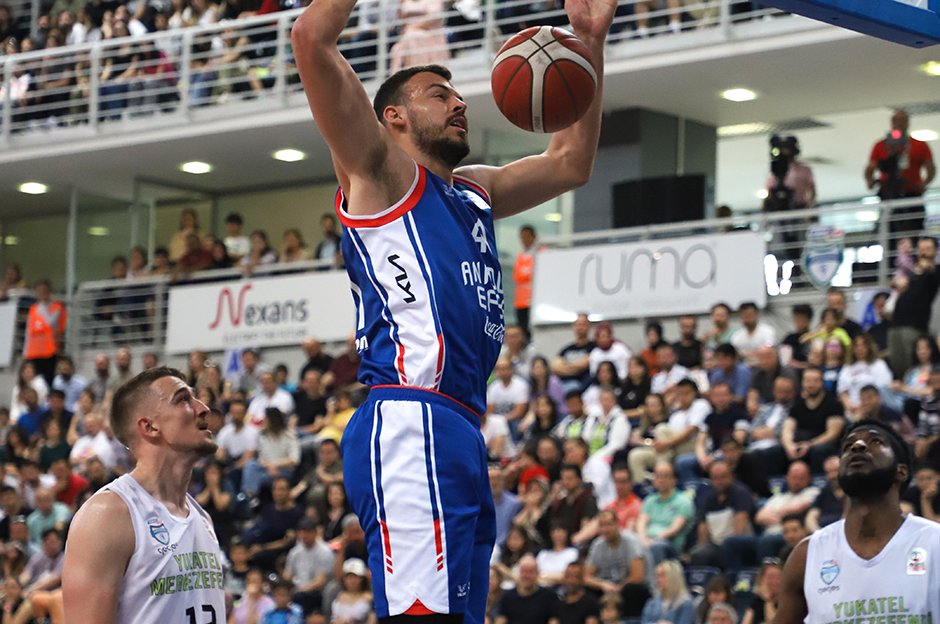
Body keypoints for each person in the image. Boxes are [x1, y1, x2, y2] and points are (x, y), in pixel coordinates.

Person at [292, 0, 616, 616]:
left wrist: (589, 41)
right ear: (392, 117)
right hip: (410, 415)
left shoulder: (474, 191)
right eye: (439, 95)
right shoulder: (379, 171)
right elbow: (311, 36)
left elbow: (570, 162)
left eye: (458, 95)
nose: (460, 103)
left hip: (462, 425)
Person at [61, 366, 225, 623]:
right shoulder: (108, 515)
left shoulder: (202, 518)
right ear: (149, 426)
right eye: (183, 399)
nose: (203, 408)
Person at [774, 419, 939, 624]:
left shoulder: (934, 542)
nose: (857, 446)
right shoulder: (807, 555)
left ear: (901, 471)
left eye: (875, 441)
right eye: (848, 446)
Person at [864, 109, 935, 230]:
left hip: (912, 193)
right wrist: (870, 181)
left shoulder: (920, 145)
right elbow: (870, 168)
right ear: (891, 123)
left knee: (915, 227)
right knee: (888, 227)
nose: (899, 123)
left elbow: (931, 168)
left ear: (908, 122)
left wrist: (924, 183)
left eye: (903, 120)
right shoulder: (880, 146)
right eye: (896, 120)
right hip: (888, 194)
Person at [584, 509, 654, 617]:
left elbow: (637, 577)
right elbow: (587, 577)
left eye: (608, 525)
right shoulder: (597, 545)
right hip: (608, 587)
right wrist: (602, 584)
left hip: (632, 588)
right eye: (602, 525)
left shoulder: (631, 542)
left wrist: (618, 588)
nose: (605, 529)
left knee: (632, 589)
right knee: (587, 591)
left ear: (617, 523)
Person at [888, 237, 939, 378]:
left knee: (913, 365)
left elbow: (931, 269)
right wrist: (896, 281)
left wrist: (924, 267)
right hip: (896, 324)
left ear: (935, 251)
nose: (923, 252)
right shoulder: (911, 269)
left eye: (928, 249)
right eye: (921, 248)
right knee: (897, 364)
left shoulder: (935, 270)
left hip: (914, 326)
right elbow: (893, 281)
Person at [636, 462, 694, 564]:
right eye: (658, 476)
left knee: (657, 546)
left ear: (674, 479)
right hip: (647, 541)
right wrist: (643, 540)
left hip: (670, 545)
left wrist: (653, 540)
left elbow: (675, 528)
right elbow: (641, 523)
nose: (661, 480)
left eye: (666, 476)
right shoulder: (649, 500)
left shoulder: (683, 501)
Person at [24, 279, 67, 386]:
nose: (42, 294)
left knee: (48, 382)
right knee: (33, 382)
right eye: (39, 291)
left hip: (49, 352)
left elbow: (50, 323)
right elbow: (28, 332)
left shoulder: (56, 307)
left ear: (49, 292)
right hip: (33, 353)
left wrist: (42, 307)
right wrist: (25, 353)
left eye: (44, 291)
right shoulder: (33, 309)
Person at [496, 555, 559, 624]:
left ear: (537, 573)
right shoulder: (507, 597)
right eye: (523, 571)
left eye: (530, 571)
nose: (526, 575)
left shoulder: (549, 596)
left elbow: (554, 620)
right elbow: (500, 620)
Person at [641, 560, 693, 624]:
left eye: (662, 575)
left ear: (673, 577)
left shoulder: (685, 603)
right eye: (657, 576)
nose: (658, 580)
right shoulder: (652, 603)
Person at [552, 314, 595, 391]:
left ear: (588, 326)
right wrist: (574, 367)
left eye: (582, 324)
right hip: (562, 383)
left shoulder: (593, 347)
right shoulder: (567, 349)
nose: (579, 327)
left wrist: (566, 365)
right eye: (577, 324)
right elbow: (555, 366)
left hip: (582, 384)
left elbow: (585, 364)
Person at [513, 225, 536, 339]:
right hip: (520, 301)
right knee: (521, 328)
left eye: (527, 236)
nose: (524, 240)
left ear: (533, 237)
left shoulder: (538, 254)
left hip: (532, 300)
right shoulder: (520, 256)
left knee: (530, 329)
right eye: (522, 237)